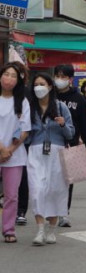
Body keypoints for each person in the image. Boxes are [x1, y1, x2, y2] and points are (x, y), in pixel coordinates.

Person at [27, 73, 75, 245]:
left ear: (50, 87)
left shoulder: (61, 107)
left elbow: (71, 133)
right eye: (36, 84)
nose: (38, 87)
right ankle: (40, 230)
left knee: (55, 190)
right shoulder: (30, 108)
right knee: (37, 189)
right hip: (35, 152)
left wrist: (62, 124)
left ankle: (51, 229)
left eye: (42, 84)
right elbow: (26, 136)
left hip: (57, 152)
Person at [54, 64, 86, 227]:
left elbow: (84, 123)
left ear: (71, 79)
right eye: (58, 76)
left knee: (67, 181)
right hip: (50, 144)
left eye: (64, 76)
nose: (60, 79)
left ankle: (64, 213)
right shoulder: (50, 96)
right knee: (49, 180)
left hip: (70, 144)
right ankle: (49, 211)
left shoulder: (78, 99)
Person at [0, 63, 31, 243]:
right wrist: (1, 149)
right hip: (3, 151)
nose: (9, 79)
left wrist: (9, 150)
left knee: (12, 195)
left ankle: (9, 229)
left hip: (15, 156)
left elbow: (25, 129)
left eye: (13, 76)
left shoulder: (22, 101)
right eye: (6, 74)